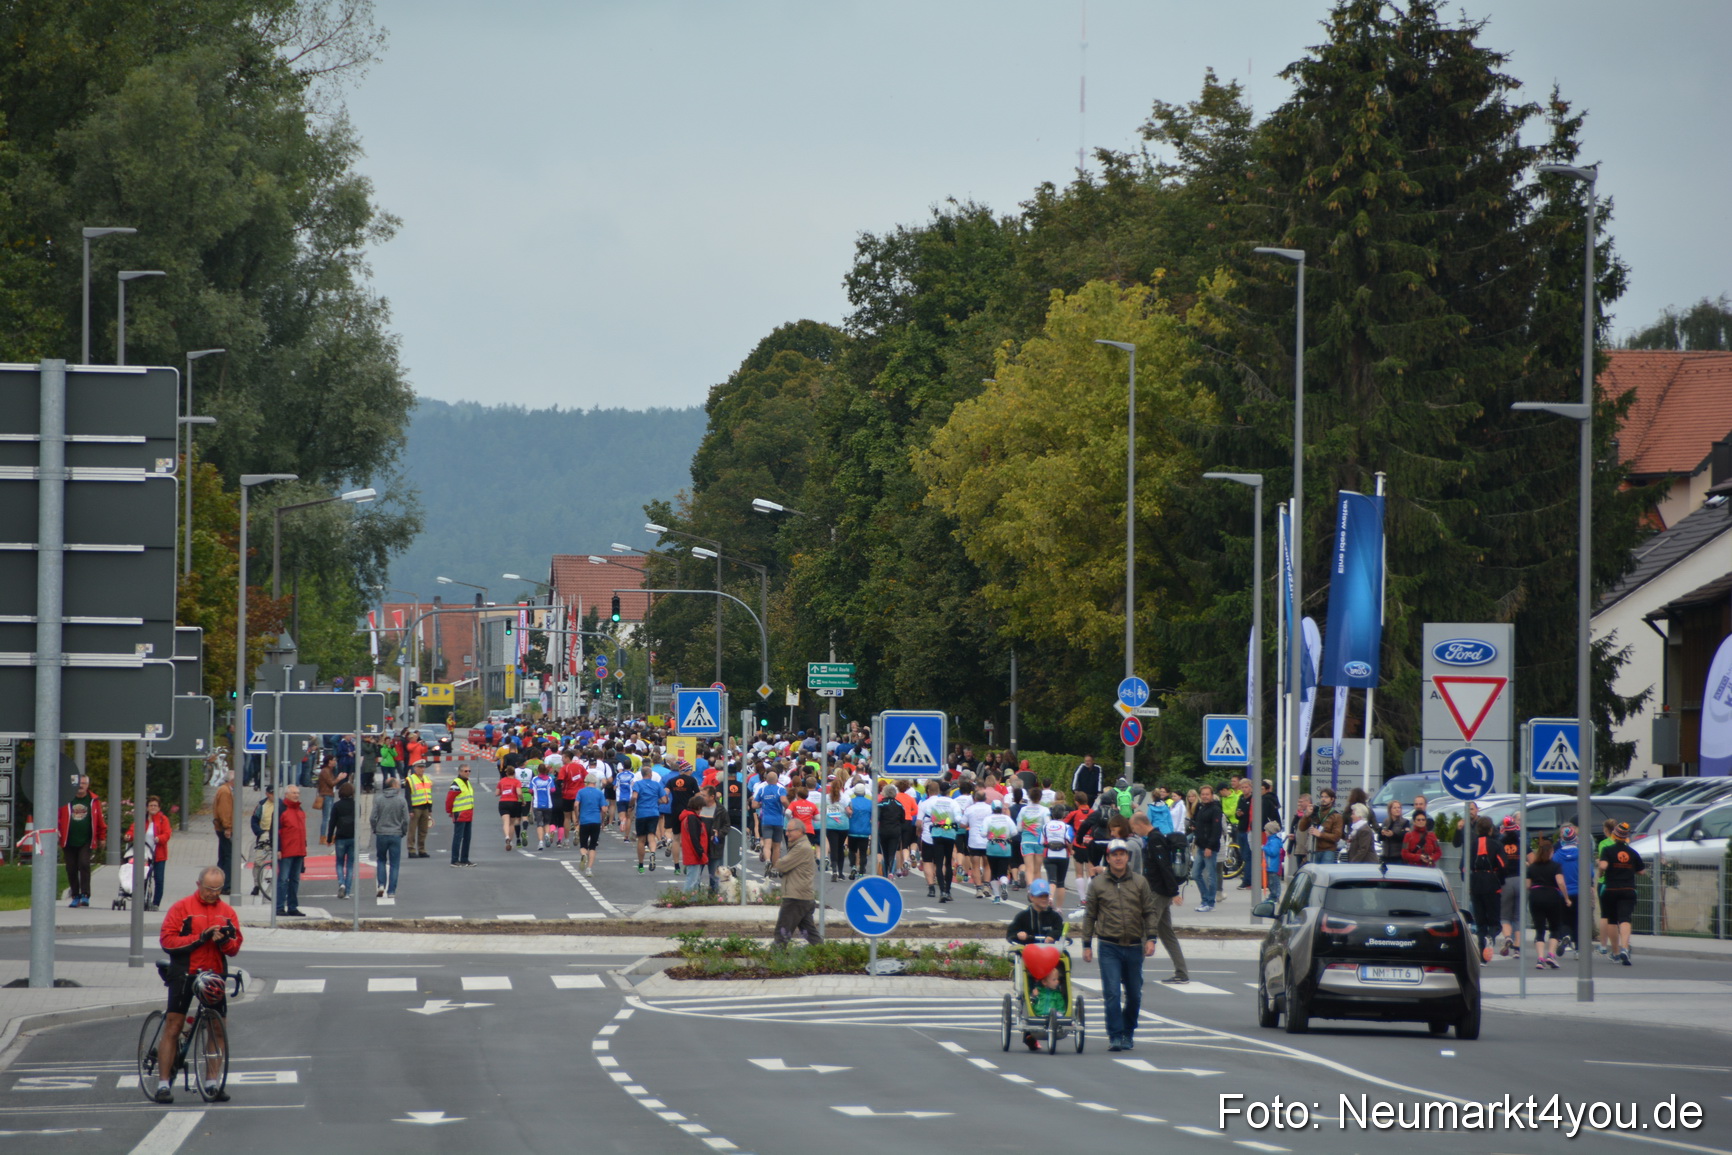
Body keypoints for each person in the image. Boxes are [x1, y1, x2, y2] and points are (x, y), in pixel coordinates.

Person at [152, 866, 242, 1103]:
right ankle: (163, 1084)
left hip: (214, 974)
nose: (213, 893)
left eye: (218, 889)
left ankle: (212, 1082)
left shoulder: (227, 912)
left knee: (217, 1027)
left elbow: (234, 948)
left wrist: (224, 942)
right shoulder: (182, 908)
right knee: (174, 1024)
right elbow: (167, 941)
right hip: (185, 972)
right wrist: (200, 938)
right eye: (209, 888)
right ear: (198, 884)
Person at [1076, 839, 1160, 1052]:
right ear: (1108, 857)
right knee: (1112, 992)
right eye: (1114, 854)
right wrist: (1086, 944)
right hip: (1108, 945)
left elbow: (1149, 912)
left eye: (1122, 854)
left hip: (1134, 946)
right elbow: (1090, 915)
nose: (1119, 858)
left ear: (1128, 857)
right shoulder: (1097, 883)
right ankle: (1114, 1034)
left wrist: (1151, 938)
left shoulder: (1140, 882)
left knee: (1134, 994)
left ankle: (1128, 1032)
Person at [1129, 814, 1189, 984]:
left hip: (1158, 893)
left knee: (1143, 930)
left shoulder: (1155, 840)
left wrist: (1174, 892)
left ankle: (1133, 974)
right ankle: (1181, 972)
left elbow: (1164, 867)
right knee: (1166, 933)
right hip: (1161, 892)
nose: (1134, 832)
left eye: (1134, 828)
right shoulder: (1155, 838)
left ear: (1140, 824)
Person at [1598, 822, 1644, 965]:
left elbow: (1603, 865)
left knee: (1612, 920)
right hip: (1628, 889)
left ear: (1614, 835)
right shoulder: (1632, 852)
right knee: (1625, 919)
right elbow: (1642, 871)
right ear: (1626, 838)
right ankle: (1625, 947)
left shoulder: (1608, 849)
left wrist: (1600, 870)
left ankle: (1616, 952)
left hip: (1611, 889)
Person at [57, 776, 106, 908]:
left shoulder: (93, 800)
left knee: (84, 864)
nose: (81, 786)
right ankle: (75, 895)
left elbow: (99, 820)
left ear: (87, 785)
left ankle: (85, 895)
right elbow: (58, 817)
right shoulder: (66, 799)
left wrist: (102, 837)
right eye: (78, 783)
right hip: (68, 840)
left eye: (84, 783)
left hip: (86, 839)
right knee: (71, 868)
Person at [772, 820, 822, 947]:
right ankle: (826, 955)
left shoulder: (801, 847)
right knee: (810, 933)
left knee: (781, 933)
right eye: (786, 830)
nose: (787, 833)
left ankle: (775, 960)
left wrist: (775, 849)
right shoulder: (799, 845)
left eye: (789, 831)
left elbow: (781, 865)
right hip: (802, 896)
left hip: (796, 897)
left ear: (800, 831)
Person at [1527, 837, 1571, 970]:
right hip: (1552, 897)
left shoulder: (1532, 867)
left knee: (1539, 929)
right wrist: (1566, 898)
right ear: (1551, 852)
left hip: (1535, 897)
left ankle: (1540, 959)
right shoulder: (1556, 866)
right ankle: (1551, 955)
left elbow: (1527, 885)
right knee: (1554, 928)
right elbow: (1560, 882)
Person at [125, 796, 173, 911]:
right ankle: (142, 900)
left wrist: (159, 838)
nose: (153, 807)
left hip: (159, 854)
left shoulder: (163, 819)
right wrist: (128, 836)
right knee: (143, 877)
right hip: (144, 855)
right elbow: (133, 830)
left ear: (159, 807)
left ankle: (156, 903)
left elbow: (167, 833)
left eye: (155, 806)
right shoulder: (142, 819)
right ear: (147, 807)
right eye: (151, 805)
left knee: (159, 879)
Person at [1465, 816, 1503, 960]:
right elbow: (1503, 866)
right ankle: (1490, 936)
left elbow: (1465, 864)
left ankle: (1481, 956)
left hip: (1475, 882)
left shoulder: (1472, 844)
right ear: (1491, 829)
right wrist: (1500, 880)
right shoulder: (1496, 844)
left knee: (1480, 922)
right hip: (1491, 882)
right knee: (1495, 922)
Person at [371, 776, 408, 899]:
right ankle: (391, 891)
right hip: (396, 834)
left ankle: (381, 884)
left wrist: (375, 828)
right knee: (394, 864)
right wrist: (403, 831)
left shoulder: (379, 799)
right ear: (394, 786)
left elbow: (372, 817)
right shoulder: (401, 800)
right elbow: (406, 819)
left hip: (381, 833)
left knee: (381, 859)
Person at [275, 786, 308, 916]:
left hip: (299, 850)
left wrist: (305, 846)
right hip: (286, 850)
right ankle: (279, 907)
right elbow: (275, 830)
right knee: (283, 880)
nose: (296, 795)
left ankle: (293, 907)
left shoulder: (300, 809)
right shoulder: (281, 809)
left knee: (294, 880)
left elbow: (302, 830)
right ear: (287, 794)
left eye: (298, 793)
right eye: (294, 793)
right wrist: (277, 848)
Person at [1191, 785, 1223, 912]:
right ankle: (1205, 899)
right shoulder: (1201, 808)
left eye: (1207, 794)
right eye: (1203, 794)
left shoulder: (1215, 809)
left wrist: (1209, 846)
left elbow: (1216, 830)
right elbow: (1201, 825)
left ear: (1212, 795)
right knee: (1195, 874)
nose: (1204, 796)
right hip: (1200, 846)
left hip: (1210, 847)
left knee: (1211, 875)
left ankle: (1210, 902)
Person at [1497, 816, 1524, 957]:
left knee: (1504, 916)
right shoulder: (1521, 842)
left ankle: (1508, 937)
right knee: (1518, 917)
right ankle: (1517, 948)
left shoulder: (1500, 843)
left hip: (1505, 881)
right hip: (1520, 879)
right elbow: (1532, 860)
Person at [633, 768, 666, 873]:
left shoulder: (638, 784)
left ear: (642, 774)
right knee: (651, 836)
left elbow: (634, 796)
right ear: (650, 774)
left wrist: (631, 805)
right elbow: (664, 800)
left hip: (642, 813)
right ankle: (652, 853)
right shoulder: (657, 785)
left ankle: (641, 864)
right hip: (654, 813)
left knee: (641, 840)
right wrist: (657, 802)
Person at [1299, 788, 1343, 864]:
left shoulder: (1336, 816)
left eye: (1326, 797)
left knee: (1324, 873)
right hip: (1314, 849)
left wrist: (1320, 834)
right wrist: (1306, 816)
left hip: (1328, 850)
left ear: (1332, 799)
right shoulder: (1316, 812)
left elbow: (1336, 837)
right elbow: (1301, 828)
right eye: (1322, 797)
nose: (1323, 799)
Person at [329, 781, 357, 900]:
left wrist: (329, 837)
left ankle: (341, 883)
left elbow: (332, 822)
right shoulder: (356, 805)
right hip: (352, 836)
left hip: (340, 837)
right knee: (350, 865)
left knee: (339, 862)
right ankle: (348, 891)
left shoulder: (336, 805)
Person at [575, 773, 606, 874]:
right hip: (596, 820)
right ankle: (589, 869)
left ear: (586, 782)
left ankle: (584, 855)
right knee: (593, 846)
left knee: (583, 844)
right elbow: (604, 809)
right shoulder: (599, 793)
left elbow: (576, 805)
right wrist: (603, 820)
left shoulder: (581, 792)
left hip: (584, 820)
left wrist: (577, 816)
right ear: (595, 782)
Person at [678, 796, 710, 892]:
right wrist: (701, 854)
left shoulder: (687, 817)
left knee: (694, 881)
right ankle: (686, 900)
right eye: (701, 808)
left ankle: (692, 901)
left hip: (691, 853)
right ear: (698, 806)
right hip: (694, 855)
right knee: (692, 881)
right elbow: (694, 839)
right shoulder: (692, 818)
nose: (701, 810)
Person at [445, 764, 475, 867]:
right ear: (460, 772)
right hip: (460, 814)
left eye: (469, 771)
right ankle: (454, 860)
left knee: (467, 838)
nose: (468, 773)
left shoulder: (467, 782)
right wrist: (450, 811)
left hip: (468, 814)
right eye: (465, 771)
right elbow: (449, 799)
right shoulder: (456, 784)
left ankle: (464, 859)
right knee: (458, 837)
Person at [211, 770, 234, 895]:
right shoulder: (225, 791)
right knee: (228, 857)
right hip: (224, 829)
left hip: (221, 828)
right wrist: (228, 828)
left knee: (224, 856)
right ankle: (226, 885)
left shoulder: (224, 789)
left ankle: (219, 883)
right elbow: (225, 811)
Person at [404, 763, 434, 858]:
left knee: (423, 830)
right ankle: (411, 849)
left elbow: (428, 794)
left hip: (425, 807)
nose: (422, 769)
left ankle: (422, 849)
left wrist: (430, 809)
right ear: (415, 768)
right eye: (419, 767)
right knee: (412, 830)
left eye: (423, 767)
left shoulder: (427, 779)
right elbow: (407, 796)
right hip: (415, 808)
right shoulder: (410, 779)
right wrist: (410, 809)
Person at [496, 763, 524, 852]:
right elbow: (519, 793)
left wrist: (503, 791)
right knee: (512, 823)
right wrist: (522, 800)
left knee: (505, 822)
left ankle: (507, 836)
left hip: (503, 802)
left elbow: (497, 793)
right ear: (514, 773)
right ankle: (510, 841)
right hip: (514, 803)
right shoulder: (517, 782)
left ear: (506, 773)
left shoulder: (502, 781)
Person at [1379, 799, 1409, 866]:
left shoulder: (1405, 822)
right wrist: (1382, 833)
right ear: (1390, 810)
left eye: (1399, 807)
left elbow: (1405, 836)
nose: (1397, 809)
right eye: (1394, 808)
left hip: (1398, 857)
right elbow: (1379, 838)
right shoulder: (1385, 822)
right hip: (1386, 856)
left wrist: (1393, 834)